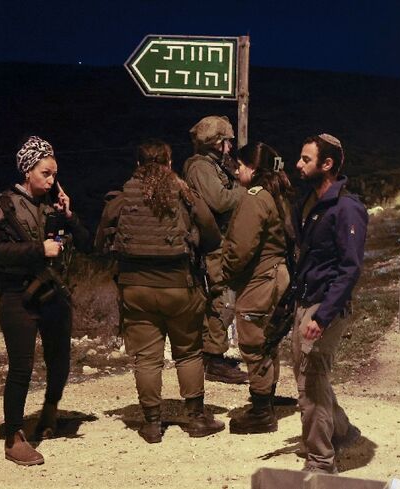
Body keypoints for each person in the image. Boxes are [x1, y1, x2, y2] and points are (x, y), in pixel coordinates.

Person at [95, 139, 224, 443]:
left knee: (147, 358)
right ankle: (195, 419)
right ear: (168, 163)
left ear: (138, 165)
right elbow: (212, 235)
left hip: (135, 289)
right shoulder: (184, 194)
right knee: (188, 352)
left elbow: (101, 239)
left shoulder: (122, 197)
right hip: (180, 287)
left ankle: (152, 424)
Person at [0, 136, 91, 465]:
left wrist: (70, 217)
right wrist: (38, 249)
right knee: (21, 368)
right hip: (18, 296)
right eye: (45, 173)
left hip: (52, 293)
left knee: (59, 361)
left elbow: (89, 245)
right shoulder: (4, 204)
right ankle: (14, 437)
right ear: (28, 170)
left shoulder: (52, 206)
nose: (51, 180)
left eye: (54, 173)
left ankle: (49, 414)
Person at [292, 133, 367, 473]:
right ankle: (343, 431)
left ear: (327, 164)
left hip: (324, 306)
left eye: (306, 159)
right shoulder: (311, 202)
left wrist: (322, 317)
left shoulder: (347, 209)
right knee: (309, 377)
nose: (298, 164)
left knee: (311, 382)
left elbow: (349, 268)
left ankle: (321, 461)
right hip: (306, 301)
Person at [217, 142, 295, 434]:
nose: (237, 170)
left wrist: (225, 273)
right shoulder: (279, 195)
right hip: (277, 276)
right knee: (268, 339)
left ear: (253, 168)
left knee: (253, 342)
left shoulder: (255, 198)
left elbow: (240, 247)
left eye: (240, 165)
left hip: (260, 279)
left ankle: (262, 412)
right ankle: (266, 400)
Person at [182, 115, 248, 384]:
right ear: (216, 143)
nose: (230, 147)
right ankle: (213, 358)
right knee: (222, 296)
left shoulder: (212, 165)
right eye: (226, 142)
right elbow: (219, 201)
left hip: (221, 242)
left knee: (223, 295)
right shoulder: (200, 168)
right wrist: (246, 190)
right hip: (212, 244)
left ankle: (213, 353)